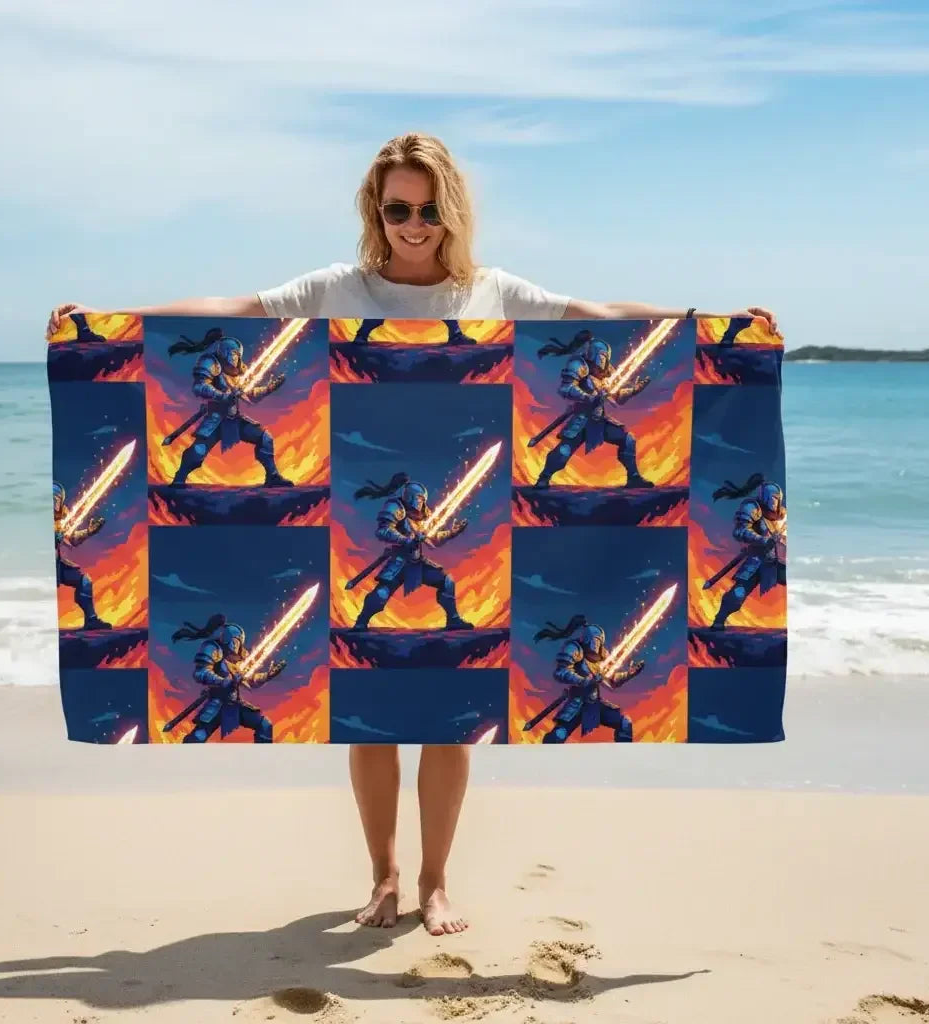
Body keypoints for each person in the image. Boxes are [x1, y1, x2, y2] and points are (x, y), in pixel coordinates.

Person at [46, 131, 779, 937]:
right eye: (399, 210)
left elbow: (599, 319)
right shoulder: (338, 288)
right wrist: (107, 323)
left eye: (429, 210)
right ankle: (384, 877)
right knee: (366, 717)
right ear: (377, 211)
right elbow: (236, 313)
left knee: (452, 717)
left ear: (451, 211)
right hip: (352, 530)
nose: (415, 225)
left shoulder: (490, 291)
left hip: (471, 530)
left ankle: (435, 883)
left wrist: (714, 327)